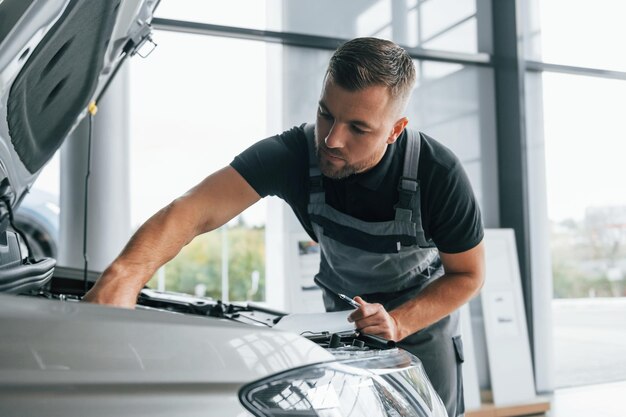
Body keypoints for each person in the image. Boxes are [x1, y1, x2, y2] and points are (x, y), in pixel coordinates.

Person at [84, 37, 484, 417]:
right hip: (343, 325)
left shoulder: (438, 174)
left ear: (395, 129)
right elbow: (193, 210)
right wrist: (125, 274)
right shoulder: (294, 154)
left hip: (421, 329)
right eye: (326, 112)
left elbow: (468, 275)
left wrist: (399, 322)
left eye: (358, 128)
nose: (331, 139)